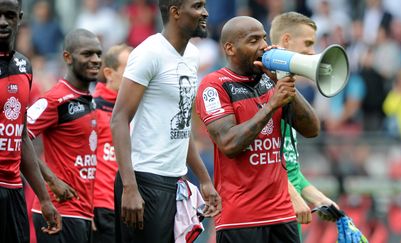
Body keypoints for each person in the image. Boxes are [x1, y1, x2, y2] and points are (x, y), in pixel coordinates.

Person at [195, 15, 319, 243]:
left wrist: (281, 79)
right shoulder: (214, 85)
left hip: (282, 213)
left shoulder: (269, 80)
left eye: (263, 38)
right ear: (230, 48)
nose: (263, 46)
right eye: (253, 41)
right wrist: (272, 105)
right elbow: (229, 144)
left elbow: (312, 129)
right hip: (241, 216)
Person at [110, 0, 221, 242]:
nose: (205, 12)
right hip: (144, 181)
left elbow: (181, 124)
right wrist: (130, 188)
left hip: (176, 183)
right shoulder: (148, 53)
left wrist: (204, 179)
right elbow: (118, 119)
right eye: (198, 6)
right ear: (176, 12)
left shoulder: (192, 55)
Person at [26, 28, 102, 243]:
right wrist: (51, 180)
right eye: (87, 54)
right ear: (67, 57)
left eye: (98, 54)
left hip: (82, 213)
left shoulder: (88, 99)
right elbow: (18, 139)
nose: (96, 60)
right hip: (59, 212)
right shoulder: (55, 100)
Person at [269, 11, 339, 234]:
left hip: (290, 211)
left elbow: (291, 169)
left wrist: (321, 199)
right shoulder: (265, 90)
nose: (312, 51)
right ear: (287, 40)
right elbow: (261, 163)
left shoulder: (290, 94)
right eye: (308, 43)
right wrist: (292, 195)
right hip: (269, 213)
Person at [0, 0, 62, 242]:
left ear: (20, 17)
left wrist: (45, 199)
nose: (3, 22)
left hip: (14, 188)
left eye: (9, 15)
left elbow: (21, 135)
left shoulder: (24, 67)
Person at [92, 43, 132, 243]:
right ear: (109, 72)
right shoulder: (91, 108)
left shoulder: (136, 109)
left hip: (129, 206)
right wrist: (86, 204)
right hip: (100, 206)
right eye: (129, 69)